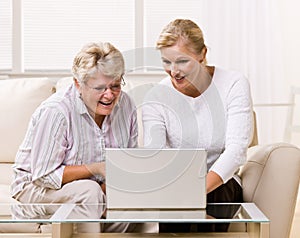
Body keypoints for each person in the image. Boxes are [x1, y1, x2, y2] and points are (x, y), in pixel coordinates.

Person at [11, 41, 138, 233]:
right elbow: (43, 175)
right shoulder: (57, 112)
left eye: (116, 85)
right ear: (79, 84)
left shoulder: (126, 105)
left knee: (133, 195)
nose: (109, 95)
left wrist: (111, 187)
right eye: (100, 88)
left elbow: (128, 162)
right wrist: (95, 169)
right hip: (36, 188)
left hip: (93, 191)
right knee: (88, 191)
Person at [142, 19, 254, 232]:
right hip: (176, 184)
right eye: (166, 62)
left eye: (182, 61)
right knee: (171, 201)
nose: (173, 71)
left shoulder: (233, 83)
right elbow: (157, 153)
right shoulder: (156, 96)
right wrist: (182, 192)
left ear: (202, 54)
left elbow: (236, 151)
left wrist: (195, 191)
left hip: (220, 182)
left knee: (214, 194)